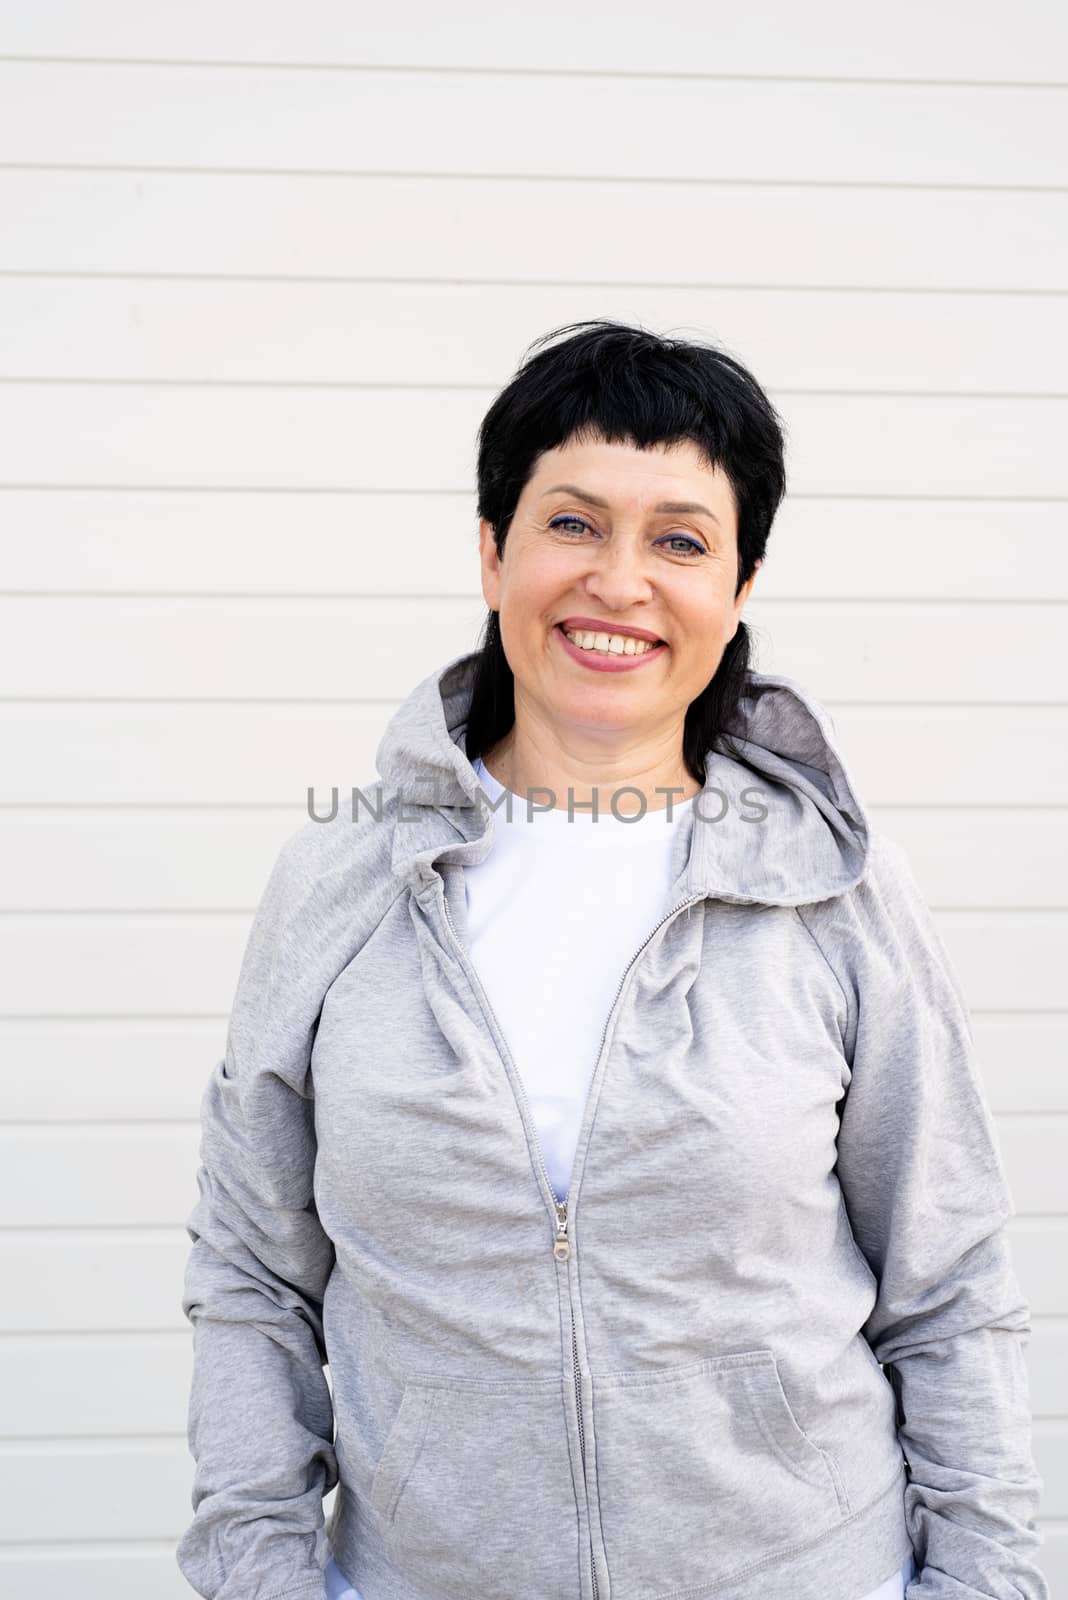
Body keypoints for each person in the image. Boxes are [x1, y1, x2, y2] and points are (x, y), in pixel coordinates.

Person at [176, 321, 1047, 1600]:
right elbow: (253, 1272)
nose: (620, 581)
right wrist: (261, 1574)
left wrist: (989, 1585)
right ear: (493, 550)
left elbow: (950, 1283)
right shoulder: (338, 881)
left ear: (741, 585)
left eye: (681, 540)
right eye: (572, 522)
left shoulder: (839, 891)